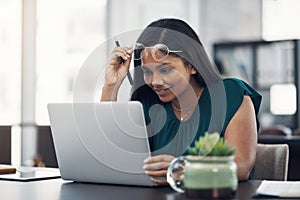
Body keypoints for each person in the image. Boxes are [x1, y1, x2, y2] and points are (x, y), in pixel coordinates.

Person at [101, 18, 261, 184]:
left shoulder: (230, 95)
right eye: (148, 71)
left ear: (192, 65)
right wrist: (110, 86)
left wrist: (182, 168)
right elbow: (111, 153)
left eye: (165, 70)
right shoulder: (147, 101)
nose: (155, 81)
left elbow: (241, 166)